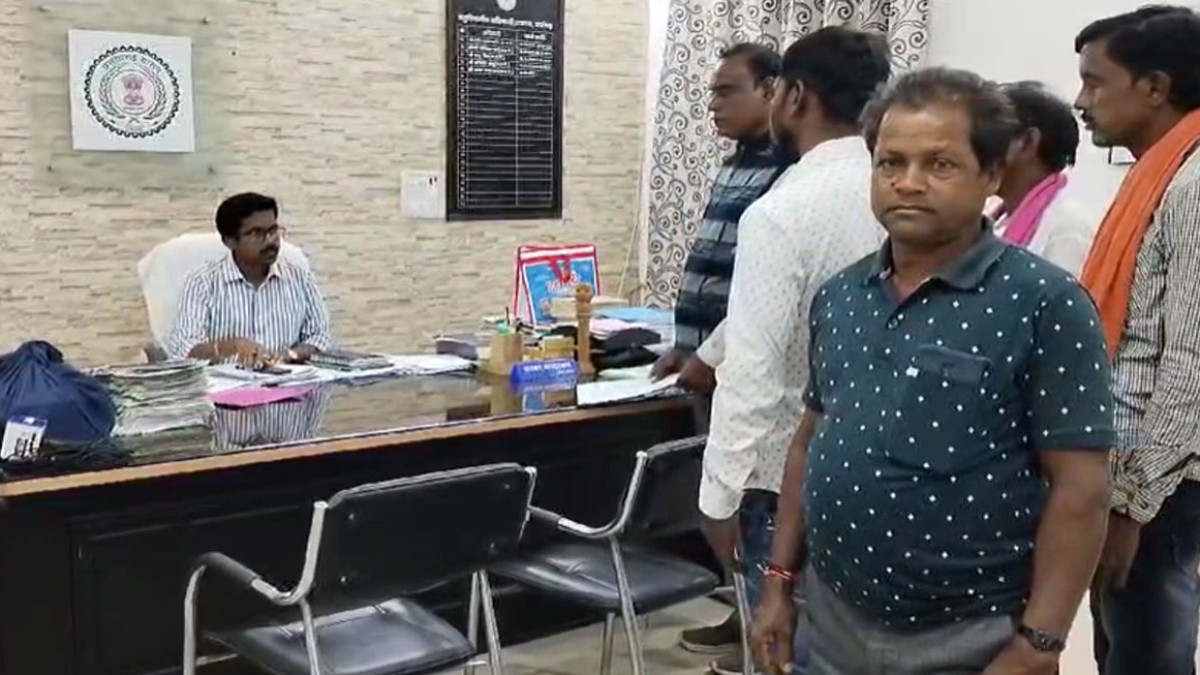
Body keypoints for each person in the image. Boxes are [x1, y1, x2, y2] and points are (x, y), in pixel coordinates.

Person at [751, 67, 1115, 675]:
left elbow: (1081, 488)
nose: (908, 183)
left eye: (939, 164)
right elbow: (809, 441)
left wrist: (1040, 643)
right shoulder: (841, 296)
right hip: (831, 616)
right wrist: (778, 581)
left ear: (991, 174)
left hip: (970, 634)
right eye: (890, 163)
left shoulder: (1045, 303)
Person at [699, 26, 890, 675]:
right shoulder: (899, 191)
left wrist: (718, 495)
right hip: (879, 467)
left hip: (785, 479)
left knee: (786, 650)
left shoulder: (784, 210)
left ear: (795, 96)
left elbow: (752, 371)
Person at [651, 42, 797, 660]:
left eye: (726, 91)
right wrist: (682, 346)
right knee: (722, 503)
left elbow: (756, 291)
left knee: (750, 506)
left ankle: (762, 628)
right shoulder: (737, 162)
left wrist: (711, 355)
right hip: (703, 364)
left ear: (773, 92)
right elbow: (712, 265)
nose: (712, 104)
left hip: (744, 370)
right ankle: (740, 612)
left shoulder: (787, 171)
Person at [1073, 7, 1200, 675]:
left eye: (1095, 82)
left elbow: (1190, 361)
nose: (1081, 101)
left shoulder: (1193, 184)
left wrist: (1133, 503)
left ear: (1154, 87)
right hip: (1132, 472)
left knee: (1148, 656)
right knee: (1124, 648)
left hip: (1163, 485)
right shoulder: (1158, 174)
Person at [166, 192, 334, 366]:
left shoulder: (300, 277)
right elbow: (184, 349)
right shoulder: (202, 282)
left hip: (287, 379)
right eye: (256, 233)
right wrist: (232, 346)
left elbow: (320, 337)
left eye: (273, 231)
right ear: (230, 241)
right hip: (224, 381)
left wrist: (291, 354)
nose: (270, 241)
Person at [991, 81, 1096, 275]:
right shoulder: (996, 222)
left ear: (1027, 142)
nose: (974, 151)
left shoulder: (1066, 227)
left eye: (987, 137)